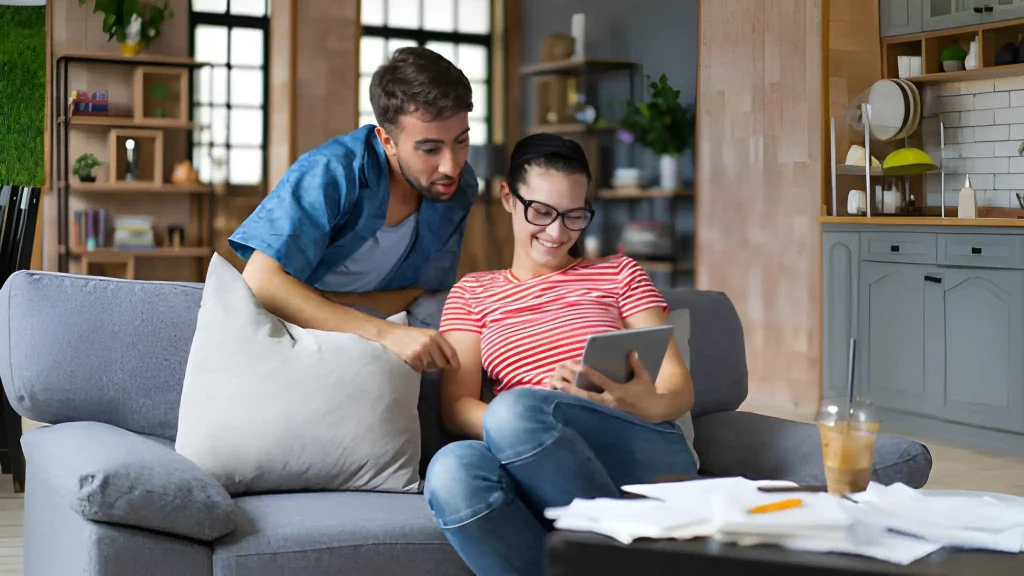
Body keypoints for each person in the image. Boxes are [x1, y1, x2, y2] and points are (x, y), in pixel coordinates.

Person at [423, 133, 698, 575]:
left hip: (634, 443)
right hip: (523, 449)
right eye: (542, 212)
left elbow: (678, 388)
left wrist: (623, 401)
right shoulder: (473, 293)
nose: (557, 233)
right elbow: (456, 408)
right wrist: (526, 422)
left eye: (574, 216)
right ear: (508, 197)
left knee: (513, 412)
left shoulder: (619, 273)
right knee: (451, 469)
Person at [228, 47, 478, 373]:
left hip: (384, 316)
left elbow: (422, 293)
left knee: (454, 308)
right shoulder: (331, 170)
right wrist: (384, 333)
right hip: (298, 321)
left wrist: (364, 317)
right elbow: (261, 282)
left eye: (461, 141)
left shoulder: (459, 187)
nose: (451, 166)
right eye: (430, 149)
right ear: (387, 141)